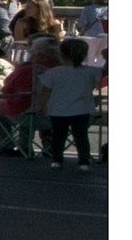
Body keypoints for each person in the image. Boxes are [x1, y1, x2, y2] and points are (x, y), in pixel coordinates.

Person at [34, 37, 100, 169]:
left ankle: (57, 160)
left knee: (59, 135)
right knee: (81, 136)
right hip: (82, 109)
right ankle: (83, 162)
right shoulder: (92, 72)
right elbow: (98, 82)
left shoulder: (53, 73)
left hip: (58, 109)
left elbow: (45, 91)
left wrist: (40, 106)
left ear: (61, 54)